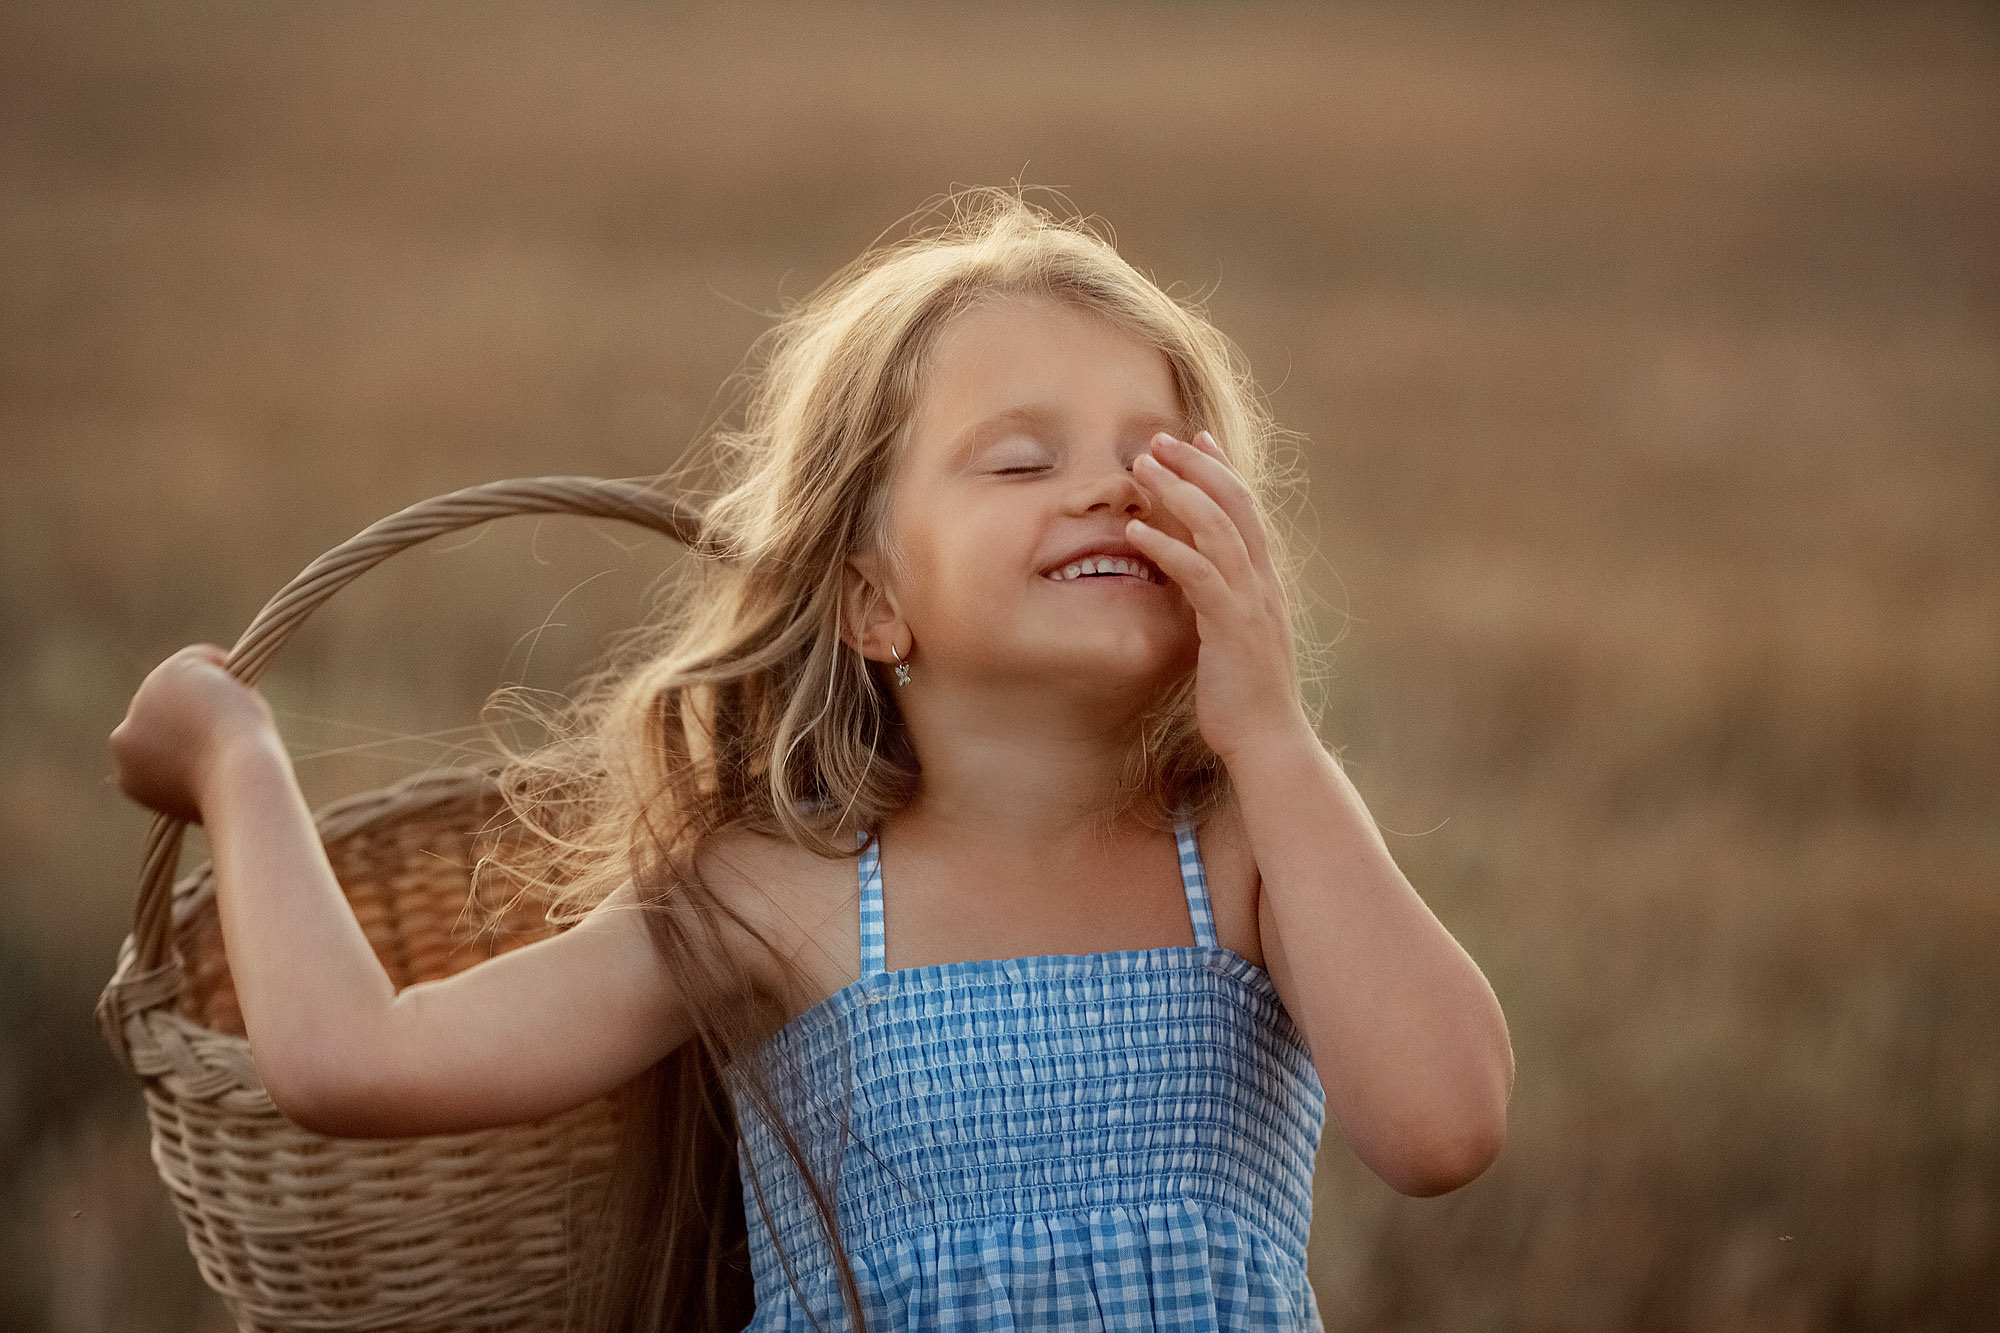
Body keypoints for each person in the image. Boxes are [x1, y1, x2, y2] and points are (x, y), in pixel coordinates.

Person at [110, 187, 1513, 1332]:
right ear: (870, 600)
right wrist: (238, 760)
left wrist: (1268, 727)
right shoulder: (782, 895)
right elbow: (358, 1059)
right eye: (1020, 461)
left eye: (1157, 461)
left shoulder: (1247, 849)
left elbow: (1446, 1124)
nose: (1105, 486)